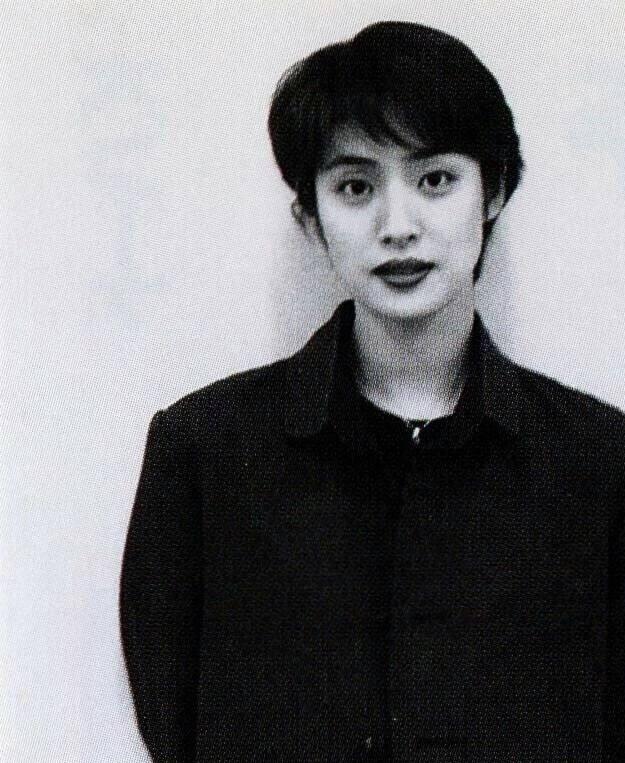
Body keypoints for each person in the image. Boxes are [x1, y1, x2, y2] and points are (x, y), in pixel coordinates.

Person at [119, 21, 625, 762]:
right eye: (355, 186)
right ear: (310, 217)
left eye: (435, 180)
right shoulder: (203, 453)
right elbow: (173, 726)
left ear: (493, 192)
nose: (397, 227)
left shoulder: (600, 462)